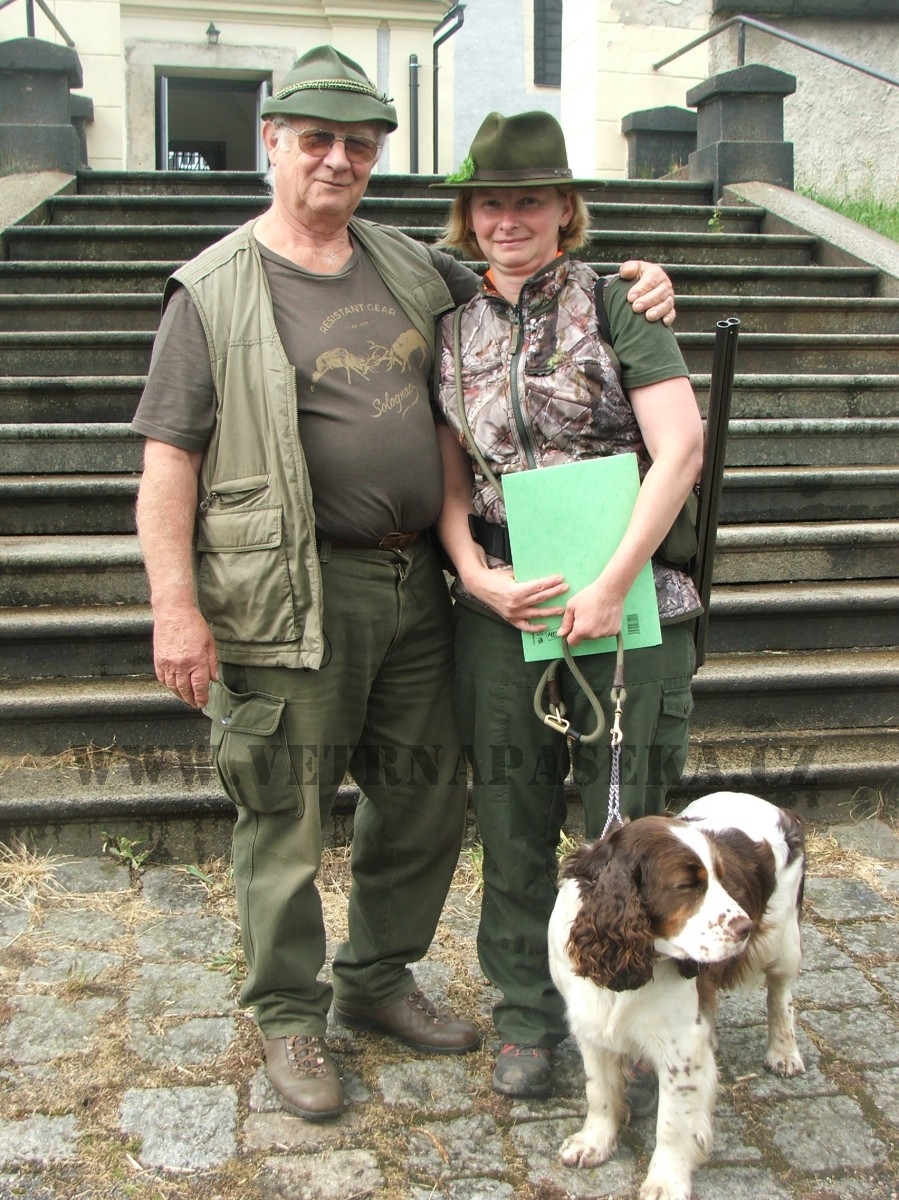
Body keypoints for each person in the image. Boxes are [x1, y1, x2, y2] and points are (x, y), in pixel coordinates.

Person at [131, 47, 676, 1123]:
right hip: (288, 590)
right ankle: (290, 1016)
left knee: (424, 800)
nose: (337, 160)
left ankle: (375, 977)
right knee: (283, 815)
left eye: (358, 145)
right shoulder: (212, 289)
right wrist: (174, 608)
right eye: (316, 140)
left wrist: (643, 282)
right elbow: (167, 461)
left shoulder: (411, 265)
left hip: (417, 586)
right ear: (273, 143)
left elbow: (534, 285)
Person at [432, 111, 704, 1101]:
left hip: (630, 602)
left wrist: (611, 582)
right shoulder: (450, 326)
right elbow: (450, 476)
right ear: (468, 216)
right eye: (490, 203)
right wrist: (470, 568)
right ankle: (524, 1016)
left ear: (563, 210)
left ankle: (641, 1011)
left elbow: (679, 447)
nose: (507, 220)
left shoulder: (620, 302)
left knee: (629, 827)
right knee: (510, 817)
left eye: (530, 201)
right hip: (504, 608)